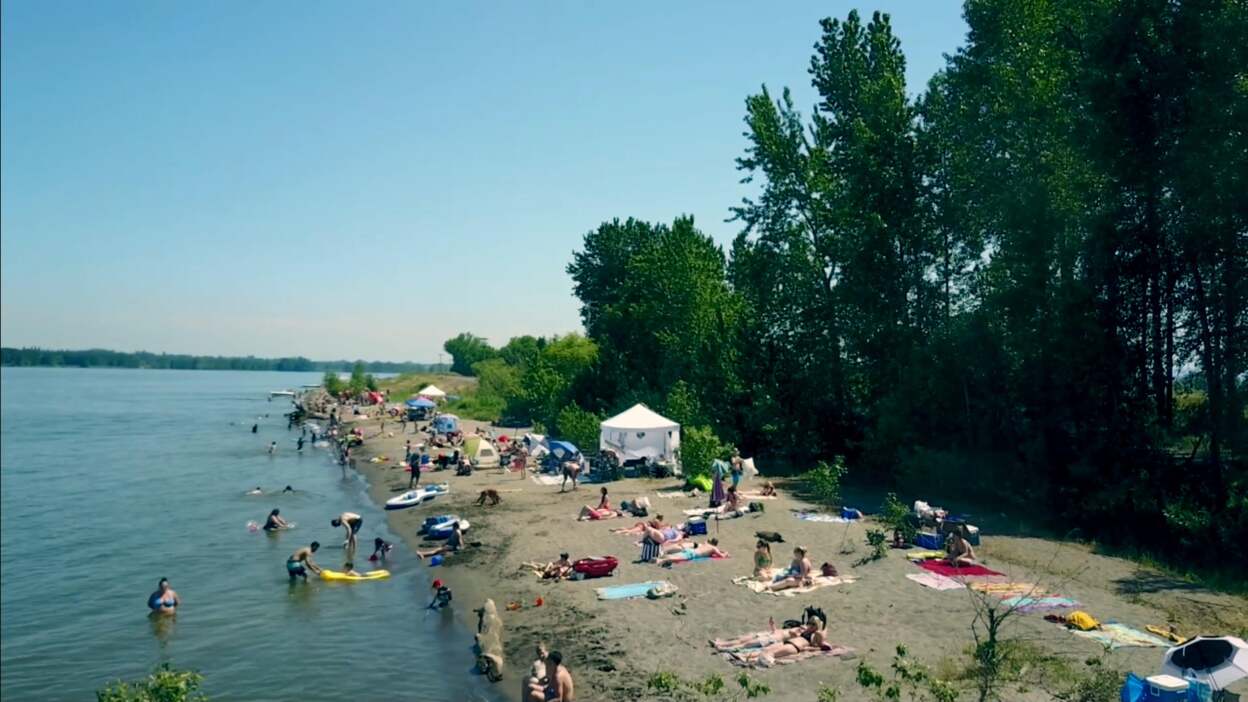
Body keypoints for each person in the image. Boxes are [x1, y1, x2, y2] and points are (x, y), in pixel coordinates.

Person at [656, 539, 727, 567]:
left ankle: (662, 557)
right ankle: (662, 560)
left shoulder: (705, 544)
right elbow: (722, 556)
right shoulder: (714, 548)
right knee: (679, 558)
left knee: (677, 555)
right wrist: (725, 553)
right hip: (692, 554)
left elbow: (706, 541)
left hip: (690, 550)